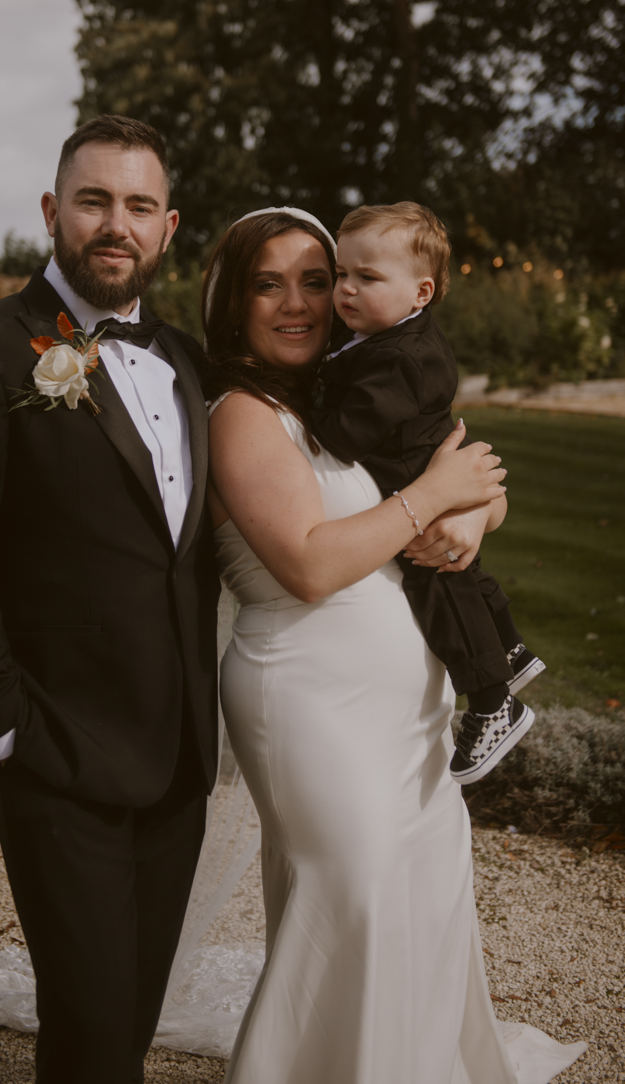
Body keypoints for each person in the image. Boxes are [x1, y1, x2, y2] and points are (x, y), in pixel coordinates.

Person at [203, 207, 586, 1083]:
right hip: (308, 700)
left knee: (422, 894)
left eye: (318, 279)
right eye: (270, 284)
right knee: (358, 895)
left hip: (407, 709)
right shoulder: (243, 414)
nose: (303, 302)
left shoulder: (354, 385)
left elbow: (470, 476)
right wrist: (434, 499)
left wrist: (474, 514)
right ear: (233, 301)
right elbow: (309, 564)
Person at [0, 115, 221, 1084]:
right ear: (52, 211)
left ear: (168, 226)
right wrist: (2, 726)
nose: (116, 224)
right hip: (58, 747)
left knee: (129, 1022)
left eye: (139, 205)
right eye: (94, 201)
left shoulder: (190, 359)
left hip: (179, 754)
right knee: (90, 1031)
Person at [311, 202, 543, 785]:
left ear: (421, 293)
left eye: (368, 277)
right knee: (464, 573)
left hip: (417, 483)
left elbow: (345, 434)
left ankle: (492, 702)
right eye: (341, 274)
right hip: (427, 471)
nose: (347, 289)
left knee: (441, 586)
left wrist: (306, 406)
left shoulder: (399, 359)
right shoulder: (385, 336)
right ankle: (509, 649)